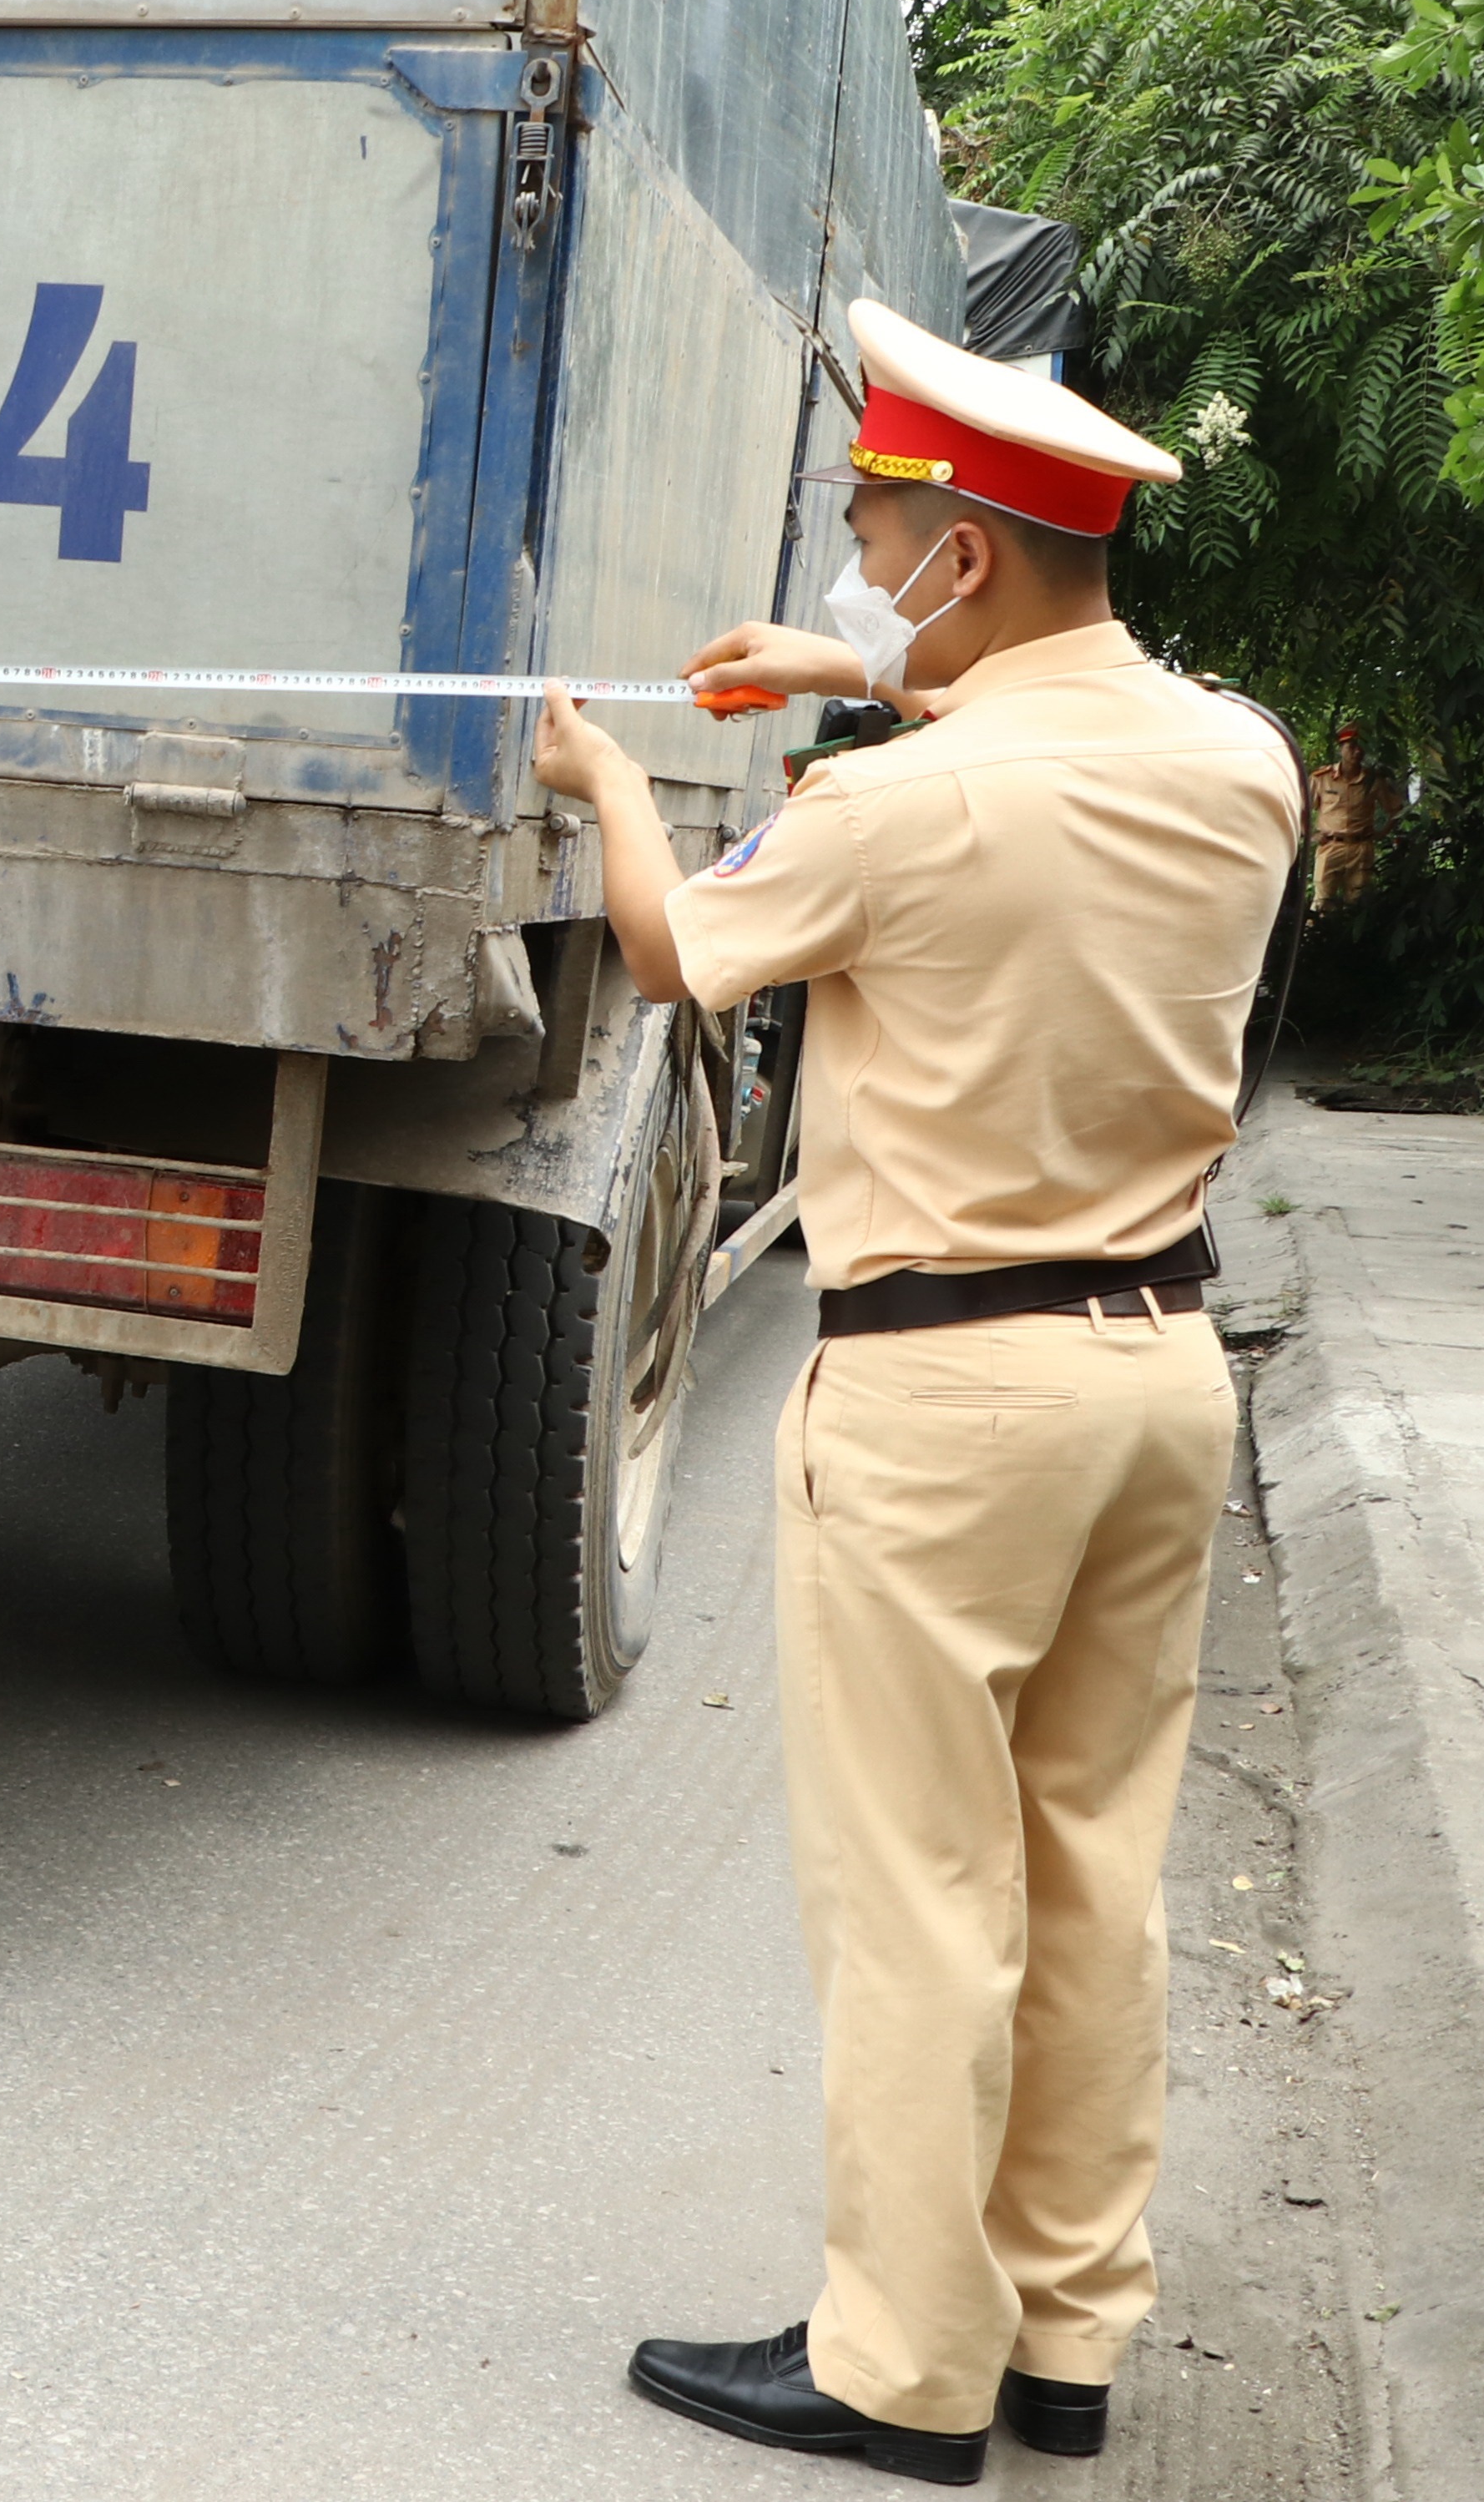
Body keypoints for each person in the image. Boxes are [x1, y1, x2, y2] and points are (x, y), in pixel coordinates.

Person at [538, 301, 1302, 2487]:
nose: (863, 566)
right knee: (1089, 1869)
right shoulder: (1235, 760)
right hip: (1158, 1379)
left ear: (959, 559)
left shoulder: (897, 809)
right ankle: (1066, 2335)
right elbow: (1049, 736)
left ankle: (898, 2364)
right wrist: (838, 660)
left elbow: (680, 951)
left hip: (948, 1399)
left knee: (920, 1893)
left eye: (880, 537)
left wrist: (609, 784)